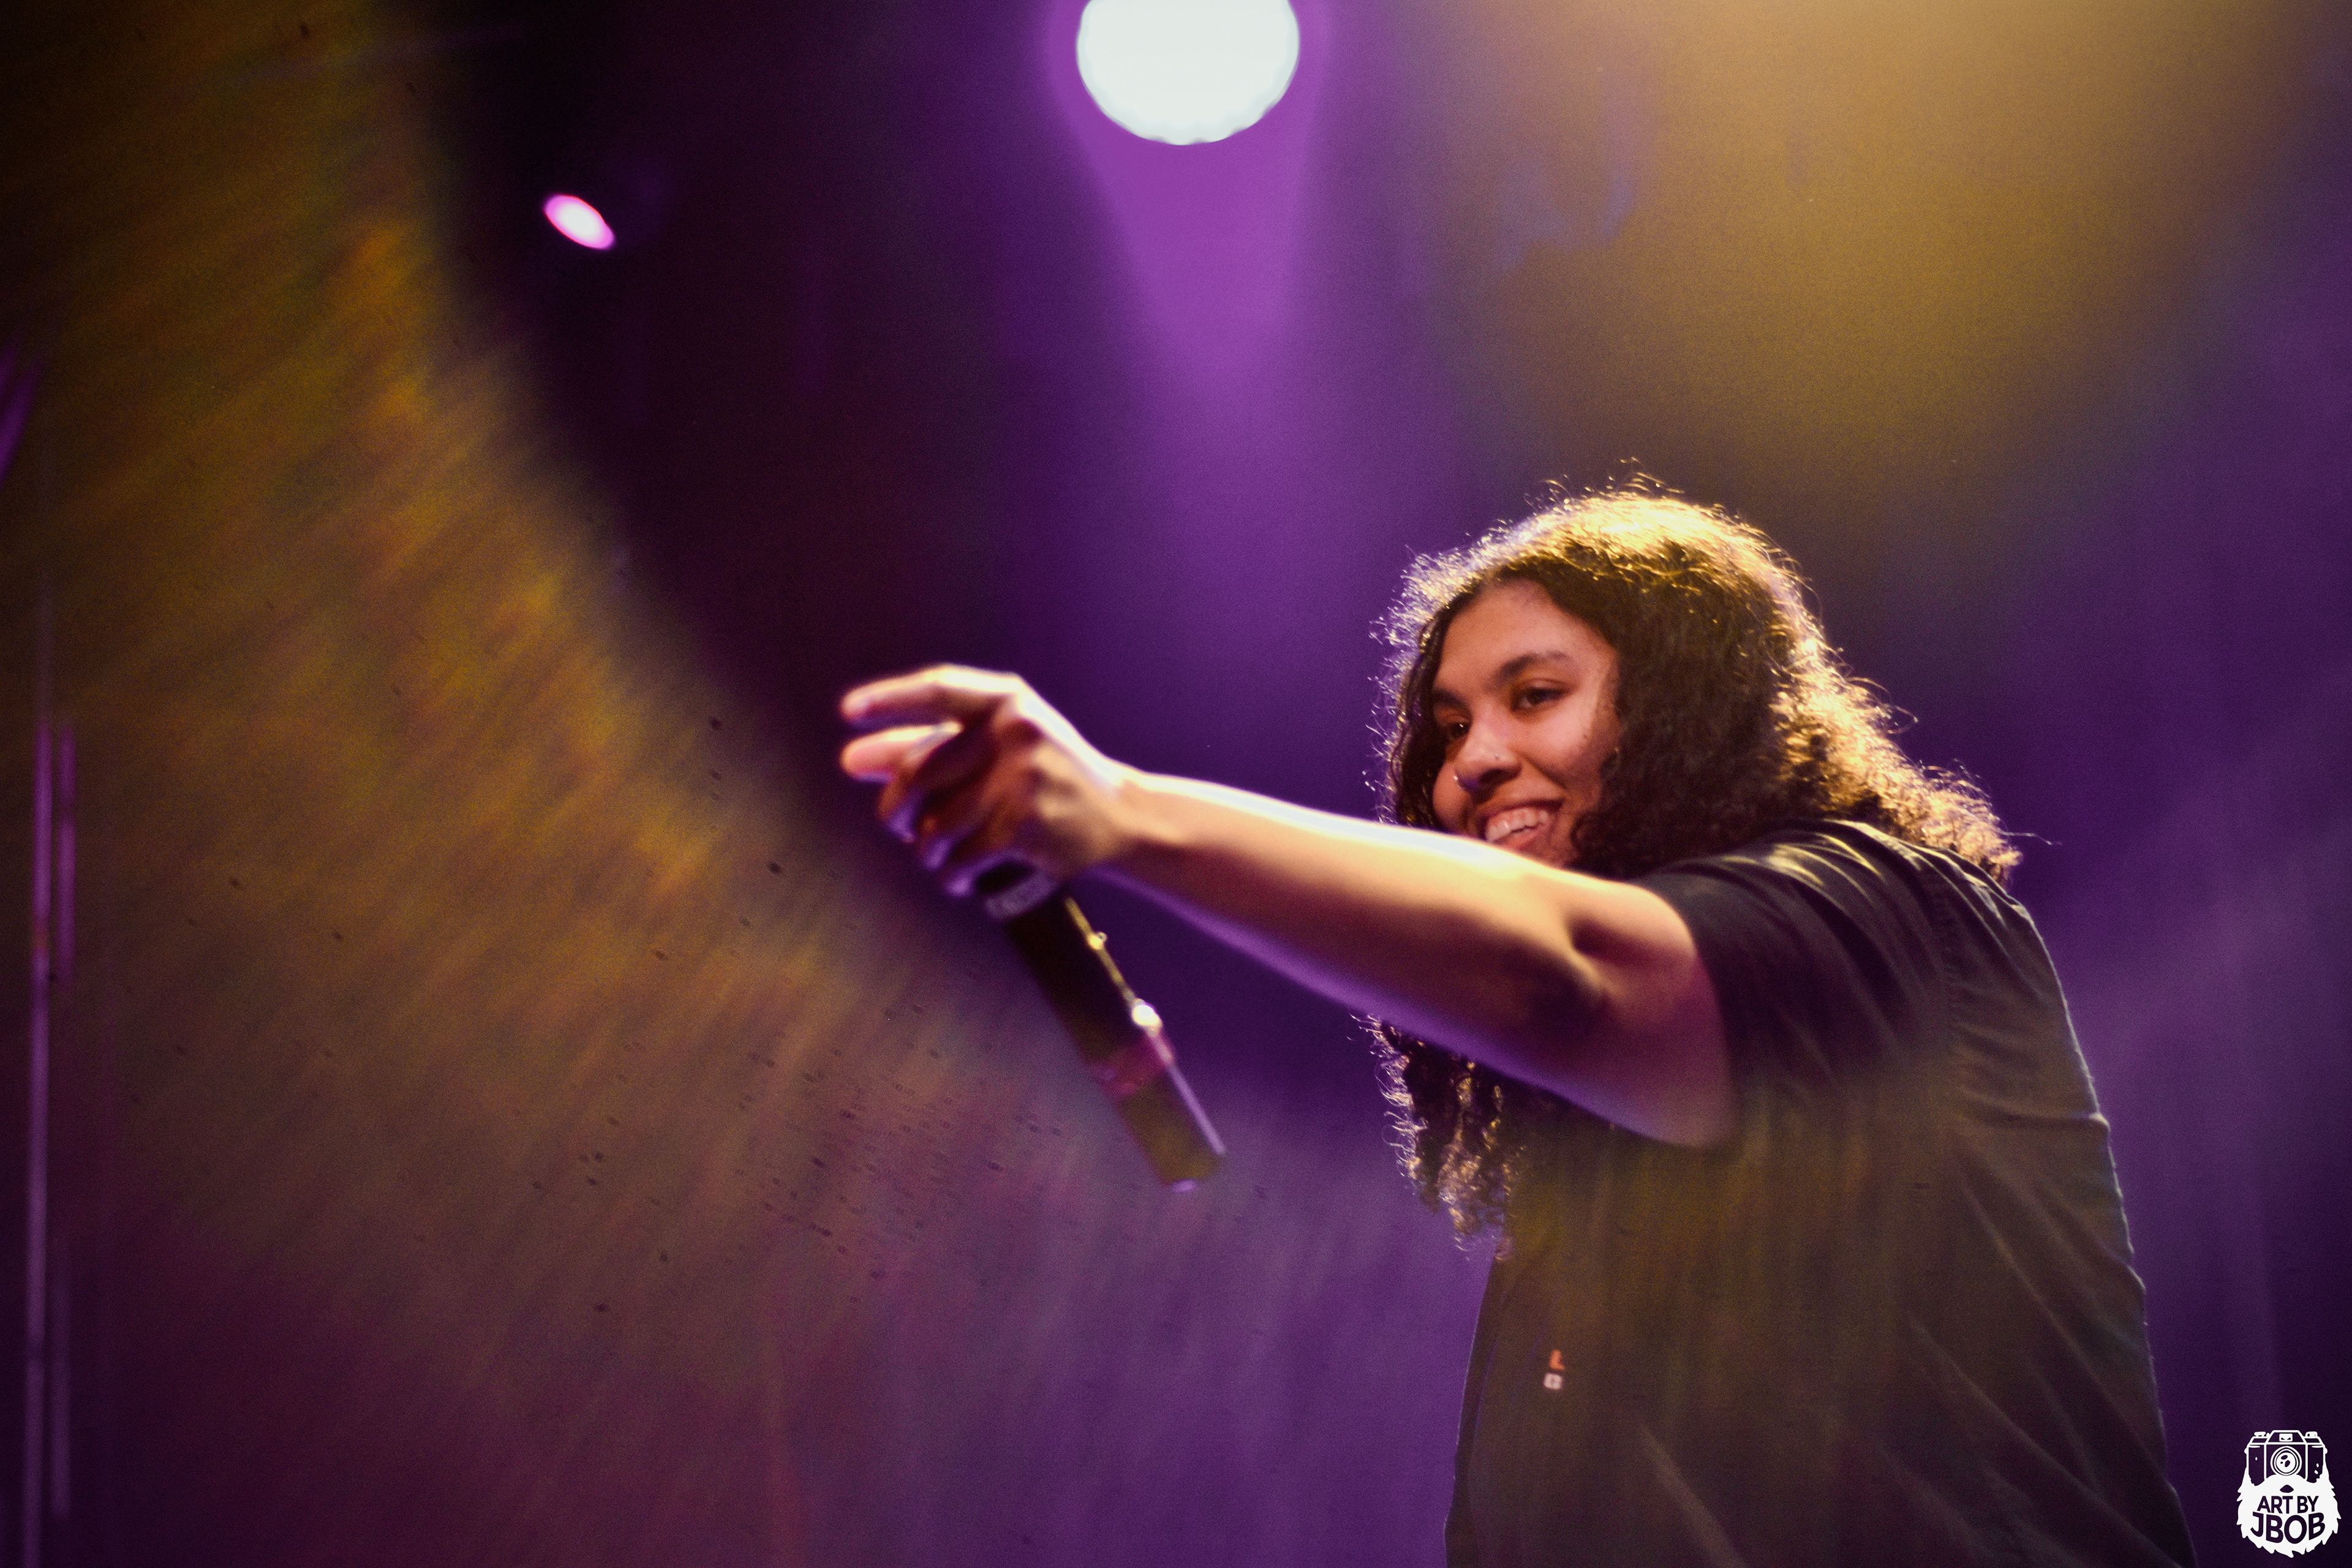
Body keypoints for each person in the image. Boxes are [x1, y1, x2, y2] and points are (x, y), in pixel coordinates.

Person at [839, 490, 2194, 1566]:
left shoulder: (1891, 916)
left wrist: (1123, 813)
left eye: (1535, 696)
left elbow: (1564, 976)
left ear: (1691, 703)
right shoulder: (1579, 1194)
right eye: (1449, 728)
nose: (1472, 762)